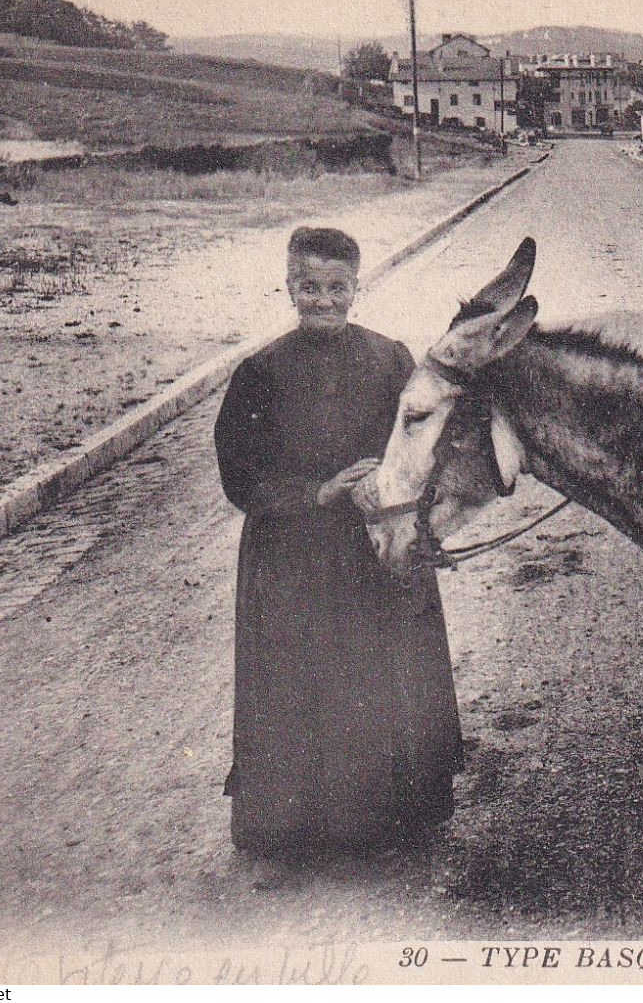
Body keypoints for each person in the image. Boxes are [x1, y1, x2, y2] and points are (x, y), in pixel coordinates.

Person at [213, 226, 461, 859]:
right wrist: (319, 494)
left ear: (357, 286)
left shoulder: (391, 359)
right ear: (289, 285)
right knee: (304, 680)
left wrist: (388, 489)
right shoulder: (260, 373)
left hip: (376, 547)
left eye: (336, 287)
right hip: (293, 558)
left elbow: (423, 448)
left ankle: (394, 823)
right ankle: (299, 830)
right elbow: (239, 476)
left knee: (387, 672)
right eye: (308, 287)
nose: (322, 300)